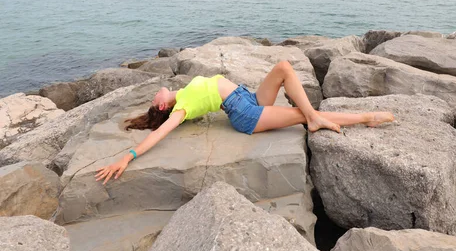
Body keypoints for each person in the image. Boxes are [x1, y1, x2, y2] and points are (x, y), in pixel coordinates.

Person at [95, 61, 394, 184]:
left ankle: (314, 117)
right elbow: (160, 133)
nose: (155, 92)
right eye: (153, 99)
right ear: (162, 104)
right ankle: (364, 117)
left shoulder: (183, 91)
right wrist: (127, 156)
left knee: (283, 67)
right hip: (244, 114)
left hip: (248, 97)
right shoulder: (181, 107)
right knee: (301, 115)